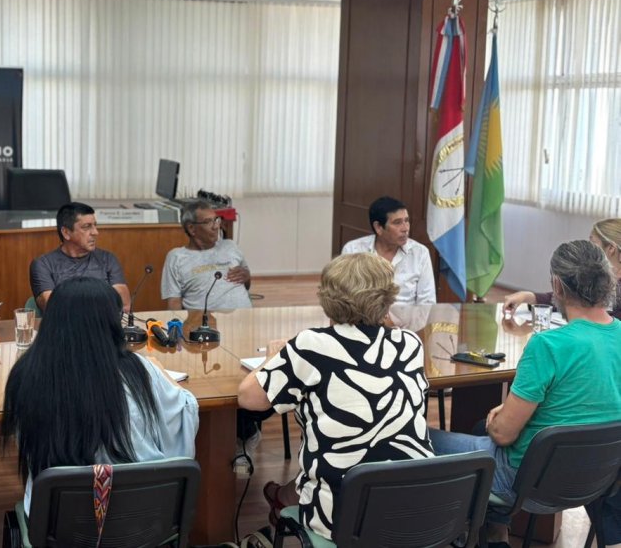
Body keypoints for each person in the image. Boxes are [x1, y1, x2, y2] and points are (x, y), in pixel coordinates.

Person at [430, 240, 621, 548]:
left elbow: (503, 435)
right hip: (594, 482)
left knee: (422, 437)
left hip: (527, 485)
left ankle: (440, 534)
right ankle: (494, 534)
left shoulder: (548, 345)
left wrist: (498, 418)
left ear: (557, 285)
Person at [238, 253, 433, 540]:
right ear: (388, 298)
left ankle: (282, 500)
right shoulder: (410, 343)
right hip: (420, 510)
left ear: (327, 297)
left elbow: (248, 398)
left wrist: (275, 357)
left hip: (344, 517)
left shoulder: (311, 345)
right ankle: (283, 495)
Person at [1, 277, 198, 513]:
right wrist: (160, 373)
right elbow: (184, 409)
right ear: (110, 323)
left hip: (59, 522)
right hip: (142, 521)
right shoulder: (137, 370)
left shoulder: (26, 374)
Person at [503, 217, 621, 320]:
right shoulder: (598, 276)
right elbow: (571, 297)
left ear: (611, 248)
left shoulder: (605, 281)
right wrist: (528, 297)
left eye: (592, 242)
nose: (588, 247)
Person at [29, 202, 131, 312]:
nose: (95, 232)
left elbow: (124, 305)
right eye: (86, 227)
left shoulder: (108, 259)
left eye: (95, 225)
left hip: (103, 327)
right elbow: (53, 308)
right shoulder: (43, 264)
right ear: (66, 232)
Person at [341, 196, 436, 304]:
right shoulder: (353, 250)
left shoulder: (420, 253)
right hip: (363, 318)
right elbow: (342, 298)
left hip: (406, 319)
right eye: (397, 222)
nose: (405, 228)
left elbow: (427, 303)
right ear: (378, 227)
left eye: (407, 221)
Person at [161, 200, 252, 311]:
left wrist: (247, 276)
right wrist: (177, 327)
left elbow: (246, 284)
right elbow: (174, 302)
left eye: (216, 220)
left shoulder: (230, 246)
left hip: (244, 317)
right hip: (205, 323)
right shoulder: (176, 257)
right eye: (208, 222)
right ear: (191, 228)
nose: (215, 227)